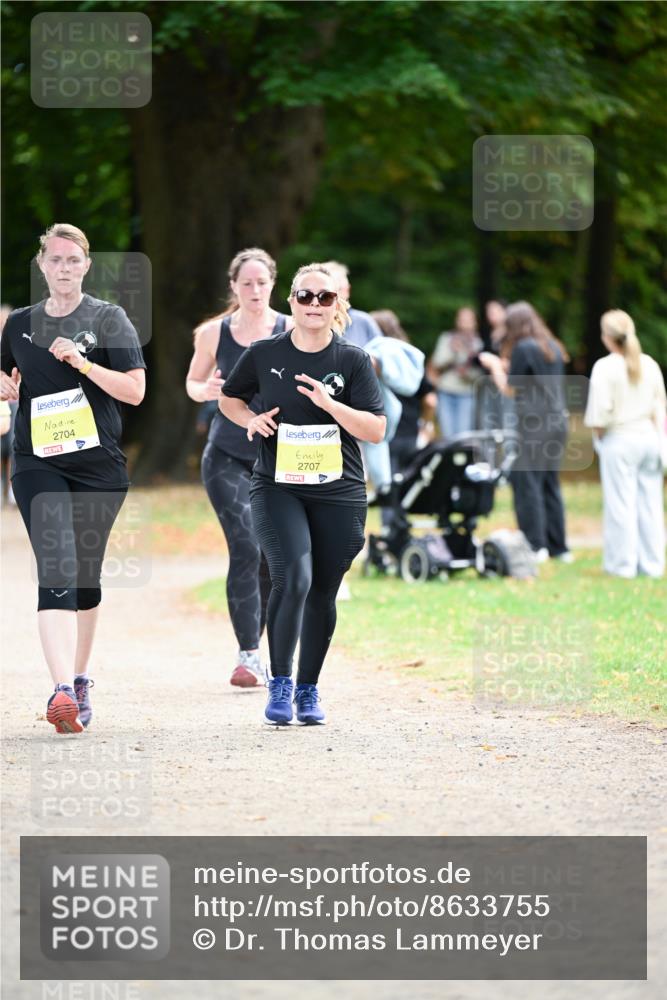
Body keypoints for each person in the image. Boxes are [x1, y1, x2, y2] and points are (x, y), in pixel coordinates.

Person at [220, 263, 385, 725]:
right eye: (305, 296)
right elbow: (230, 398)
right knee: (293, 577)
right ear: (290, 301)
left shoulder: (351, 360)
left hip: (339, 490)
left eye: (325, 298)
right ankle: (281, 682)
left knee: (323, 593)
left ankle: (309, 690)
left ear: (338, 306)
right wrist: (248, 420)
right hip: (278, 485)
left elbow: (375, 429)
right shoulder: (262, 352)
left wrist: (330, 404)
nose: (314, 304)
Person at [0, 223, 146, 733]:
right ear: (41, 266)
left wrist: (82, 364)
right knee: (57, 566)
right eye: (54, 260)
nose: (63, 268)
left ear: (86, 265)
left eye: (72, 260)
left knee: (85, 576)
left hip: (99, 467)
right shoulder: (18, 324)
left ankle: (81, 677)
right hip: (38, 462)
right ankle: (61, 690)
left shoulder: (109, 319)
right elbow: (6, 376)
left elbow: (134, 391)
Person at [186, 248, 292, 687]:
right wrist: (206, 390)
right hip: (227, 456)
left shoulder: (292, 329)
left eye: (261, 282)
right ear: (233, 286)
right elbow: (192, 384)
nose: (254, 290)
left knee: (273, 555)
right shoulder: (214, 334)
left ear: (273, 284)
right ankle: (249, 656)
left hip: (281, 459)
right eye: (245, 283)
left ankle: (262, 651)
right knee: (247, 546)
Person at [480, 301, 571, 562]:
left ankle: (535, 544)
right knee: (549, 483)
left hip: (533, 424)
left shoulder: (522, 347)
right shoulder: (551, 346)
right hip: (557, 422)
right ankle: (559, 546)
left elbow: (510, 388)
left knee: (526, 482)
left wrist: (495, 366)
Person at [584, 309, 666, 577]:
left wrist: (599, 440)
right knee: (651, 504)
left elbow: (599, 413)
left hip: (620, 439)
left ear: (607, 337)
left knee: (621, 505)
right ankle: (652, 564)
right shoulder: (650, 364)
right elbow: (660, 407)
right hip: (649, 438)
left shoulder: (605, 368)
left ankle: (622, 565)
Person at [370, 309, 437, 475]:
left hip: (386, 434)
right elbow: (430, 400)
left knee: (389, 491)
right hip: (411, 433)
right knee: (409, 490)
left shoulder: (373, 361)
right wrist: (426, 425)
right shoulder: (410, 359)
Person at [428, 307, 483, 438]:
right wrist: (453, 351)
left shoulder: (479, 343)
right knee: (447, 434)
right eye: (462, 319)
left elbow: (481, 373)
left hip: (467, 392)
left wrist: (466, 371)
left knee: (463, 435)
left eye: (468, 319)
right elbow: (437, 362)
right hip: (446, 390)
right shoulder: (447, 338)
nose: (464, 322)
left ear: (475, 322)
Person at [323, 261, 382, 348]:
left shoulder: (364, 321)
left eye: (339, 289)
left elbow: (382, 355)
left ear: (348, 290)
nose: (336, 296)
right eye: (330, 291)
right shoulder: (312, 320)